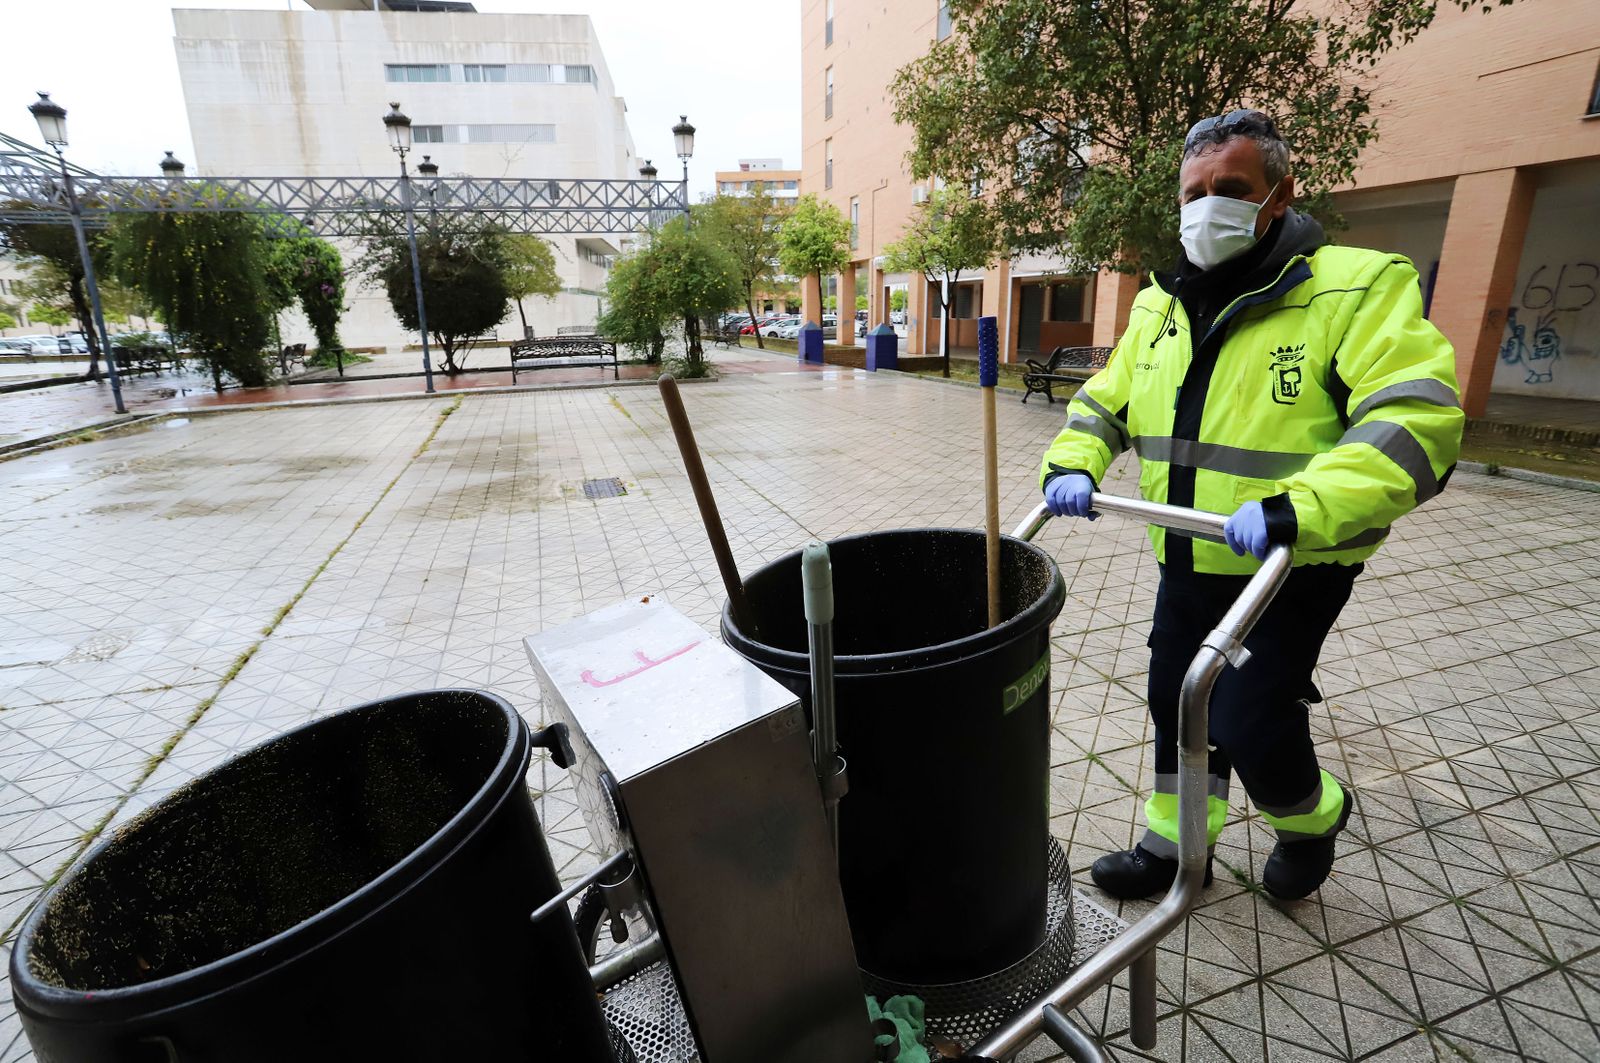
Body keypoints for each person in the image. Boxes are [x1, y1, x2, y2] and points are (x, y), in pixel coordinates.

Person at [1038, 110, 1464, 901]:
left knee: (1244, 715)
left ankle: (1313, 816)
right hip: (1187, 550)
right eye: (1192, 192)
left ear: (1278, 195)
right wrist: (1074, 459)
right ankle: (1177, 844)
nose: (1207, 206)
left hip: (1289, 563)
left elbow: (1418, 421)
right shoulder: (1159, 304)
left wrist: (1299, 505)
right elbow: (1108, 400)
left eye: (1229, 188)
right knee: (1175, 697)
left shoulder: (1357, 286)